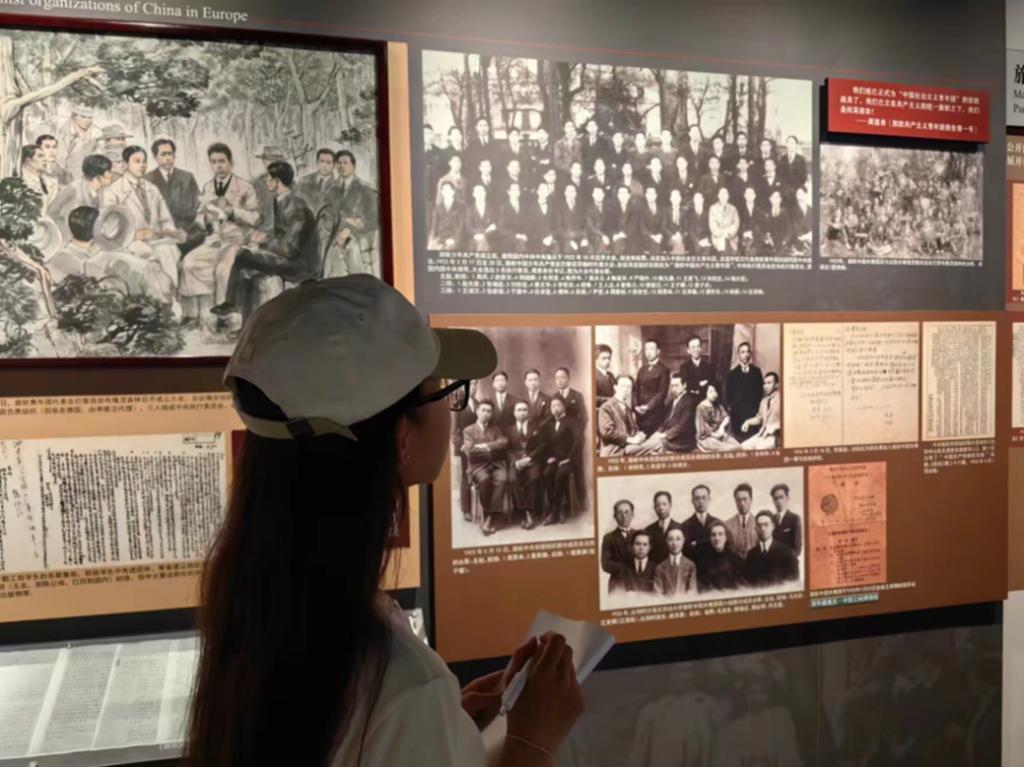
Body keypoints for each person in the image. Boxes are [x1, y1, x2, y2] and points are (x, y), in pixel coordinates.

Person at [187, 275, 583, 765]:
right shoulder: (403, 684)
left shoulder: (260, 602)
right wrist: (533, 740)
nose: (452, 410)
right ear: (403, 438)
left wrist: (446, 727)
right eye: (445, 392)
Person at [211, 161, 321, 321]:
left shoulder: (296, 207)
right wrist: (261, 239)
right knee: (245, 269)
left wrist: (264, 239)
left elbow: (290, 248)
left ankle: (231, 303)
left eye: (269, 178)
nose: (266, 181)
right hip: (287, 257)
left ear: (277, 181)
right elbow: (280, 234)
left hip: (300, 265)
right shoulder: (280, 200)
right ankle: (248, 323)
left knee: (242, 255)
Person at [179, 143, 261, 326]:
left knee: (223, 270)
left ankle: (224, 318)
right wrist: (205, 219)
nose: (218, 166)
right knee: (188, 264)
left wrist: (232, 212)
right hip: (214, 240)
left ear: (231, 163)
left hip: (236, 241)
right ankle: (192, 315)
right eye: (214, 162)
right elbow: (199, 217)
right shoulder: (208, 187)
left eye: (222, 161)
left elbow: (255, 218)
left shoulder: (245, 187)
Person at [102, 145, 184, 300]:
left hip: (156, 241)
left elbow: (166, 219)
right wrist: (135, 234)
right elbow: (109, 229)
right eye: (137, 161)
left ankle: (171, 299)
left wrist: (170, 232)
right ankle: (162, 302)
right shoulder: (112, 191)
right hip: (129, 244)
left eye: (144, 161)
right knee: (152, 256)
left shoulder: (152, 189)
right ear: (125, 164)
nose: (142, 165)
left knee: (168, 250)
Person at [323, 150, 379, 277]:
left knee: (355, 267)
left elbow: (373, 219)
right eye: (339, 163)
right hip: (335, 239)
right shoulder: (331, 190)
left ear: (353, 165)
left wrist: (349, 229)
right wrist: (346, 223)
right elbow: (327, 216)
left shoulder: (366, 189)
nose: (342, 166)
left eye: (345, 163)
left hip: (360, 240)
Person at [146, 138, 204, 256]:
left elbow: (197, 208)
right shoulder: (147, 180)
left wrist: (186, 232)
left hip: (187, 234)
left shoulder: (187, 178)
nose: (168, 158)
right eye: (163, 154)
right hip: (160, 237)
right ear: (155, 157)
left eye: (170, 154)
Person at [464, 400, 509, 537]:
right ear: (477, 411)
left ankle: (489, 518)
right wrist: (492, 449)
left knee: (502, 479)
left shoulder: (496, 430)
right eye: (483, 410)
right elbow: (470, 451)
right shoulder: (469, 430)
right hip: (478, 466)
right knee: (484, 479)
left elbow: (504, 443)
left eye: (489, 411)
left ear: (492, 414)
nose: (486, 413)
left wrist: (485, 446)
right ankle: (490, 515)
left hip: (496, 465)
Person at [47, 153, 114, 236]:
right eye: (109, 171)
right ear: (97, 176)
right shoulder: (74, 188)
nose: (111, 175)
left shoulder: (100, 191)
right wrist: (65, 229)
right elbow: (51, 211)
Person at [507, 400, 545, 531]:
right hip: (516, 462)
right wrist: (515, 461)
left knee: (534, 478)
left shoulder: (536, 427)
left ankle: (530, 513)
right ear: (514, 413)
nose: (522, 413)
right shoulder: (508, 430)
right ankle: (525, 511)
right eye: (519, 410)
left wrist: (530, 458)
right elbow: (506, 449)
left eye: (525, 410)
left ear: (528, 412)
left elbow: (542, 445)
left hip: (532, 460)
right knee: (513, 479)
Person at [539, 395, 577, 524]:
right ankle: (559, 508)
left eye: (558, 405)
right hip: (555, 459)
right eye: (553, 406)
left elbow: (578, 442)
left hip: (569, 459)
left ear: (564, 407)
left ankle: (554, 512)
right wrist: (548, 457)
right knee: (547, 474)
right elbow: (544, 443)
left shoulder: (572, 422)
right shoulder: (548, 423)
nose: (555, 408)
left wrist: (569, 458)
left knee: (561, 475)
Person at [742, 511, 799, 587]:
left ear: (773, 526)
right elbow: (747, 584)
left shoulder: (787, 552)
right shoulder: (751, 555)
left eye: (766, 524)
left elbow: (794, 582)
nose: (762, 529)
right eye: (759, 525)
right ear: (755, 528)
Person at [598, 375, 649, 457]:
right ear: (615, 387)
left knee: (654, 445)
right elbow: (607, 433)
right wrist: (631, 440)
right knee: (656, 446)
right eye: (623, 386)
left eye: (629, 387)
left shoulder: (627, 408)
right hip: (613, 450)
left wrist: (639, 434)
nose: (626, 390)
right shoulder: (606, 407)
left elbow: (634, 428)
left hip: (627, 447)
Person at [724, 342, 764, 440]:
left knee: (752, 441)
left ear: (750, 354)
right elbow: (728, 396)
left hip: (753, 414)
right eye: (742, 352)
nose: (746, 355)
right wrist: (733, 409)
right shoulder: (732, 374)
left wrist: (757, 412)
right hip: (737, 416)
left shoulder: (757, 372)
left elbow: (760, 393)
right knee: (739, 441)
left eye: (747, 352)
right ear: (738, 354)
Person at [646, 374, 696, 454]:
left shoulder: (690, 402)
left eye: (676, 386)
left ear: (684, 385)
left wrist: (664, 435)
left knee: (654, 444)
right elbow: (666, 421)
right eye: (672, 386)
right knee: (651, 440)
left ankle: (632, 451)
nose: (674, 389)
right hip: (669, 435)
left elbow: (681, 426)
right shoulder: (672, 400)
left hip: (681, 440)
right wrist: (658, 432)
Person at [452, 380, 480, 521]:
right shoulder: (457, 405)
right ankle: (466, 510)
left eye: (475, 384)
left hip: (478, 446)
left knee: (477, 473)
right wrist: (460, 446)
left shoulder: (478, 404)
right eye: (470, 384)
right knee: (466, 476)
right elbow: (454, 430)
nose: (473, 387)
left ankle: (480, 509)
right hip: (464, 448)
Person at [695, 520, 743, 592]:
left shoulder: (736, 559)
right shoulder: (702, 559)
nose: (717, 538)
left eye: (720, 534)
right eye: (713, 535)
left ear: (726, 537)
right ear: (710, 538)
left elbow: (739, 585)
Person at [634, 339, 670, 435]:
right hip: (640, 413)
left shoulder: (663, 370)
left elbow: (662, 393)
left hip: (655, 413)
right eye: (646, 349)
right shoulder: (642, 369)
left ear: (658, 351)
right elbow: (636, 389)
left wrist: (647, 407)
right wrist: (636, 406)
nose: (648, 352)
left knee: (652, 440)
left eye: (651, 349)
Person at [57, 105, 102, 179]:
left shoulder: (97, 135)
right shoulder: (58, 129)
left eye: (90, 117)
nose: (87, 120)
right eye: (83, 116)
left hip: (81, 179)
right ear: (74, 116)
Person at [601, 500, 636, 592]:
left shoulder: (640, 535)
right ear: (615, 516)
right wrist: (625, 568)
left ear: (632, 514)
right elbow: (605, 564)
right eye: (620, 513)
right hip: (618, 583)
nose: (624, 516)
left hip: (638, 583)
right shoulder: (609, 538)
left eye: (627, 512)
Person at [740, 372, 781, 451]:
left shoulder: (783, 399)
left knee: (759, 449)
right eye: (764, 383)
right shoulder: (763, 401)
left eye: (769, 383)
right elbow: (759, 419)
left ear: (776, 384)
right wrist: (747, 422)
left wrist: (774, 427)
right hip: (762, 434)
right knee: (743, 446)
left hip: (776, 437)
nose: (766, 386)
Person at [680, 484, 722, 560]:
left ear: (709, 499)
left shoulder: (718, 523)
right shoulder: (685, 525)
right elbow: (685, 550)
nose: (701, 501)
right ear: (692, 501)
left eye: (704, 498)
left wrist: (696, 543)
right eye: (697, 498)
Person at [696, 384, 741, 453]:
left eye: (715, 391)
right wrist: (715, 435)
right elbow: (701, 430)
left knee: (738, 446)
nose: (713, 394)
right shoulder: (701, 407)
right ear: (705, 393)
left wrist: (721, 427)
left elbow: (726, 417)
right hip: (707, 438)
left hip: (720, 434)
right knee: (730, 449)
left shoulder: (718, 405)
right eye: (710, 392)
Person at [654, 527, 697, 598]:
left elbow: (692, 591)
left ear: (683, 540)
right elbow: (658, 593)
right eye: (671, 539)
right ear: (666, 541)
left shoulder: (691, 565)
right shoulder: (660, 567)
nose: (674, 543)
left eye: (678, 539)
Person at [644, 491, 682, 564]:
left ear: (670, 505)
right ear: (654, 507)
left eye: (664, 504)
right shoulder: (648, 530)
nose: (661, 508)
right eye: (658, 505)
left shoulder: (680, 528)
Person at [295, 148, 337, 214]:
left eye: (328, 162)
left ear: (334, 165)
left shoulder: (338, 186)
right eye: (321, 161)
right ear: (317, 162)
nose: (324, 165)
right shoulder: (303, 181)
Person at [724, 483, 758, 558]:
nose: (742, 503)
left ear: (751, 499)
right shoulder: (727, 525)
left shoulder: (759, 523)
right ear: (735, 501)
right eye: (738, 500)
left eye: (745, 499)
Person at [429, 181, 466, 250]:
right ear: (442, 192)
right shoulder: (438, 207)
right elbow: (434, 227)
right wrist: (432, 240)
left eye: (449, 190)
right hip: (441, 239)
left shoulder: (461, 206)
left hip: (456, 239)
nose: (446, 192)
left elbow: (462, 226)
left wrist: (454, 239)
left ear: (453, 192)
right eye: (444, 190)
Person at [770, 483, 803, 556]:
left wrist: (784, 559)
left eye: (781, 497)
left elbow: (797, 549)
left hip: (789, 561)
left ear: (787, 498)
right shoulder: (771, 519)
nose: (779, 501)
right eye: (776, 498)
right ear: (773, 501)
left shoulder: (795, 519)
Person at [464, 183, 497, 251]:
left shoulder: (491, 209)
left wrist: (484, 235)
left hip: (489, 238)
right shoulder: (469, 209)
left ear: (485, 193)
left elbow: (494, 227)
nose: (480, 195)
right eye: (477, 193)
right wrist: (484, 231)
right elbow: (468, 229)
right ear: (474, 194)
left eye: (482, 192)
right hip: (474, 239)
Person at [498, 183, 530, 252]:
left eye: (517, 190)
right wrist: (516, 235)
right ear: (508, 192)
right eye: (513, 190)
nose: (516, 192)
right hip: (509, 240)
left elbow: (529, 224)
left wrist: (526, 234)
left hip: (525, 238)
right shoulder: (503, 208)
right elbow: (501, 229)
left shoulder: (525, 206)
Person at [555, 183, 587, 252]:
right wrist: (570, 240)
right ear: (565, 193)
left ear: (576, 194)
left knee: (588, 248)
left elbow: (584, 224)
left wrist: (585, 238)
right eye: (568, 191)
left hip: (579, 236)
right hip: (565, 238)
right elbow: (559, 228)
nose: (571, 194)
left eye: (573, 191)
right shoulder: (559, 207)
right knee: (569, 249)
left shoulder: (580, 206)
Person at [708, 185, 739, 254]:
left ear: (728, 196)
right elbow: (712, 225)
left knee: (730, 249)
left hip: (731, 236)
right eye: (721, 194)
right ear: (718, 196)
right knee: (723, 248)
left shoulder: (733, 208)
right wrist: (722, 233)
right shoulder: (713, 208)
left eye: (725, 194)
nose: (723, 196)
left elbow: (736, 223)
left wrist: (729, 233)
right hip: (718, 237)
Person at [678, 335, 711, 400]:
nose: (696, 350)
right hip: (689, 399)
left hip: (704, 399)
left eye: (698, 346)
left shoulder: (709, 367)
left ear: (701, 348)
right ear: (688, 350)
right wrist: (700, 383)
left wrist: (693, 384)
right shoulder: (684, 367)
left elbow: (709, 385)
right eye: (693, 347)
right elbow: (686, 384)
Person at [585, 185, 612, 253]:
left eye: (600, 193)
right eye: (596, 193)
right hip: (593, 235)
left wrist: (607, 235)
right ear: (593, 195)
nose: (598, 195)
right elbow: (591, 227)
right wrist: (603, 235)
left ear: (603, 195)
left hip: (606, 234)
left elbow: (610, 224)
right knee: (600, 242)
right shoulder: (589, 209)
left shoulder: (608, 208)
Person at [638, 186, 663, 253]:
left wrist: (660, 235)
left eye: (653, 194)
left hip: (660, 237)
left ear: (656, 195)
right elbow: (642, 227)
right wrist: (653, 236)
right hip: (646, 236)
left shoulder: (661, 209)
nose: (651, 196)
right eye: (649, 194)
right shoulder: (641, 209)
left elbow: (663, 225)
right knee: (654, 246)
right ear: (646, 195)